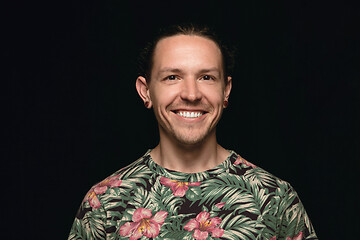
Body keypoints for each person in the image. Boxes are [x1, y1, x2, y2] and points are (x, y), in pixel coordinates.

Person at [68, 23, 318, 240]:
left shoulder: (274, 199)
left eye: (206, 77)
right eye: (172, 77)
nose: (191, 94)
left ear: (226, 90)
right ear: (146, 91)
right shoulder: (105, 203)